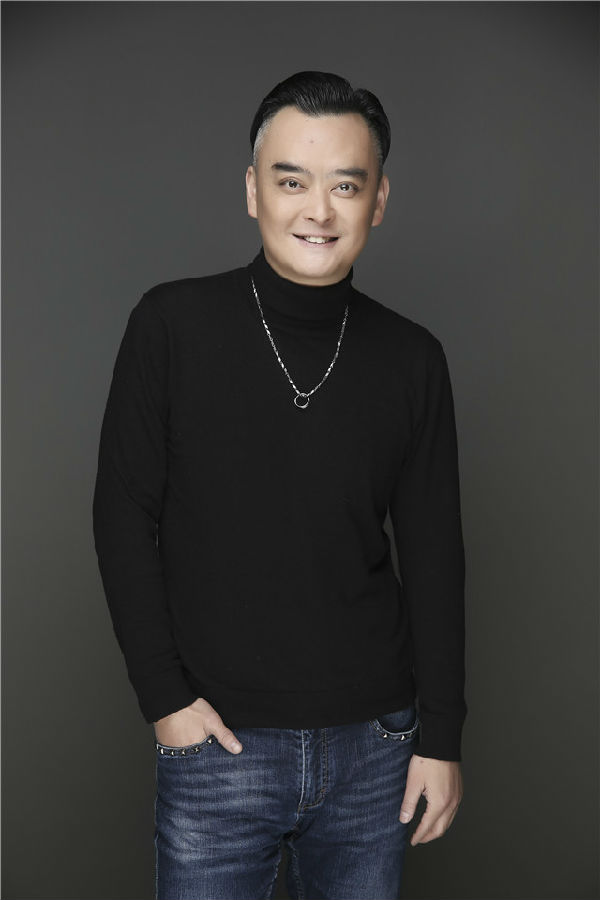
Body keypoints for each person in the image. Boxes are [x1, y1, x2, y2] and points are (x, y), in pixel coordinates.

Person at [92, 70, 467, 900]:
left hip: (376, 746)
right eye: (292, 181)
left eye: (346, 185)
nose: (318, 211)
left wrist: (441, 736)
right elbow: (121, 514)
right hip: (217, 742)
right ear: (252, 191)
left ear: (378, 201)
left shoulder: (412, 358)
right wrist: (165, 701)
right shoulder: (171, 326)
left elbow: (436, 554)